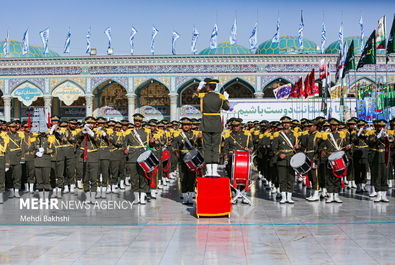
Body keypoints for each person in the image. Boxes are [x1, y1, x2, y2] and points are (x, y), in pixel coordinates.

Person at [195, 78, 230, 176]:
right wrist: (226, 99)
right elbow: (227, 107)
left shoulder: (203, 95)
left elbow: (194, 96)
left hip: (206, 123)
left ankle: (208, 171)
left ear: (207, 87)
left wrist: (198, 88)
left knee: (207, 146)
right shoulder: (220, 96)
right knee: (215, 146)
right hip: (216, 124)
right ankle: (214, 171)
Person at [272, 116, 300, 204]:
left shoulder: (294, 134)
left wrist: (298, 147)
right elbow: (274, 148)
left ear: (290, 124)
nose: (286, 124)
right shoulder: (278, 134)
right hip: (282, 159)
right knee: (282, 178)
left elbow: (298, 148)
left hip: (292, 158)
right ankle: (283, 197)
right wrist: (279, 154)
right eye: (284, 123)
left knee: (291, 178)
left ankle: (289, 197)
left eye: (287, 123)